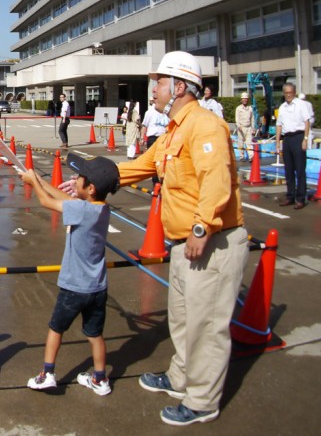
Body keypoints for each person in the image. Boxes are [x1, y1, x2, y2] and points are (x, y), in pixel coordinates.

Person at [115, 51, 246, 426]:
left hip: (212, 242)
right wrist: (92, 179)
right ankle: (179, 378)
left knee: (207, 325)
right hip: (184, 243)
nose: (153, 89)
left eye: (159, 82)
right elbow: (137, 167)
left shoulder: (205, 126)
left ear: (180, 87)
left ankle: (203, 401)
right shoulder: (174, 131)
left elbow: (216, 181)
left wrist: (202, 227)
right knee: (184, 318)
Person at [19, 153, 120, 397]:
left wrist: (34, 184)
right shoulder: (102, 208)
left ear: (91, 188)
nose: (75, 180)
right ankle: (99, 379)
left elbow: (47, 203)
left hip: (74, 287)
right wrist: (41, 182)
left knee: (56, 328)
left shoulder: (81, 210)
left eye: (80, 178)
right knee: (95, 335)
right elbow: (66, 200)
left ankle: (47, 375)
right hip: (97, 288)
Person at [275, 82, 314, 209]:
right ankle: (290, 196)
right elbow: (279, 125)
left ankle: (301, 198)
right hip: (287, 139)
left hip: (298, 137)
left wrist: (305, 139)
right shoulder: (282, 107)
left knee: (300, 169)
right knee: (289, 170)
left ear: (294, 92)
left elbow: (306, 121)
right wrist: (277, 142)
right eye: (286, 93)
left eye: (290, 92)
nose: (288, 95)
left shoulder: (301, 104)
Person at [139, 98, 168, 186]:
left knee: (164, 159)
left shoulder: (167, 112)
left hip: (164, 137)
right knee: (154, 160)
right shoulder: (150, 112)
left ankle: (163, 179)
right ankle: (155, 181)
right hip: (153, 138)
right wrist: (142, 138)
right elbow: (144, 125)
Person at [234, 92, 255, 162]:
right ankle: (241, 156)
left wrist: (253, 128)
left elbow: (252, 119)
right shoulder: (238, 108)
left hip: (248, 128)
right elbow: (237, 118)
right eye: (244, 99)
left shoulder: (250, 109)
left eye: (246, 99)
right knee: (241, 143)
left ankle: (251, 157)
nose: (245, 100)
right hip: (241, 128)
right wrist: (238, 125)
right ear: (241, 100)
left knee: (249, 142)